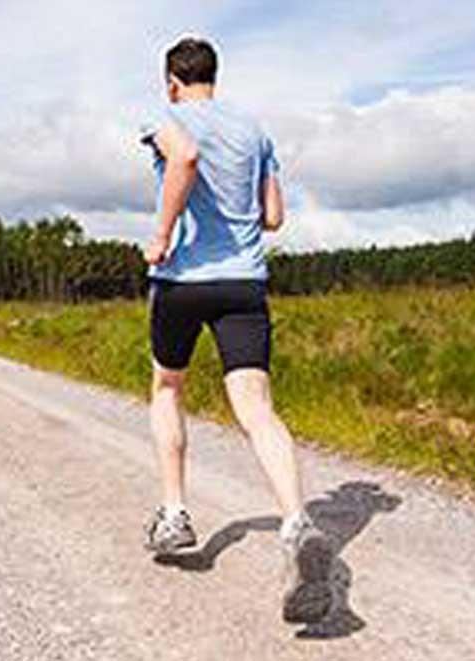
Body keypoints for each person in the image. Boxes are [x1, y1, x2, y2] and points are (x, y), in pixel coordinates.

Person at [140, 36, 334, 624]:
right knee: (256, 407)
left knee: (168, 387)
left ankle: (174, 515)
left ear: (173, 81)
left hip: (181, 282)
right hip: (244, 284)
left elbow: (186, 157)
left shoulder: (165, 117)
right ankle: (297, 522)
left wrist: (162, 233)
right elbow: (273, 216)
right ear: (214, 77)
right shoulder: (255, 131)